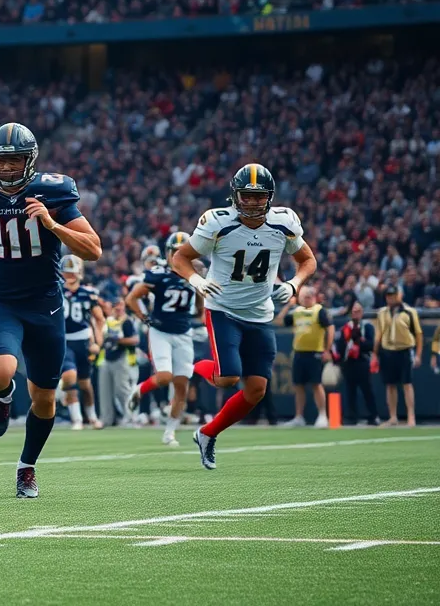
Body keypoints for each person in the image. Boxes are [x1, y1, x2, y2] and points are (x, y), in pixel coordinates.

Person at [0, 122, 102, 498]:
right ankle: (2, 397)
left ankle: (26, 466)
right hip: (1, 300)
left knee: (45, 399)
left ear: (30, 160)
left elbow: (93, 249)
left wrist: (51, 223)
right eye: (1, 161)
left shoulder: (54, 192)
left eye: (15, 160)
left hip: (45, 304)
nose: (8, 168)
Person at [171, 164, 316, 470]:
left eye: (259, 196)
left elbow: (307, 260)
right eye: (246, 196)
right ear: (235, 196)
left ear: (270, 197)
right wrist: (196, 280)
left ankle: (207, 433)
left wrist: (293, 284)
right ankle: (192, 366)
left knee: (256, 390)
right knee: (227, 378)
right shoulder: (218, 222)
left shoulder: (283, 222)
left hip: (261, 314)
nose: (252, 202)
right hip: (223, 309)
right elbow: (180, 257)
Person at [126, 231, 203, 446]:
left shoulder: (194, 275)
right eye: (175, 251)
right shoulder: (159, 274)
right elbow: (132, 298)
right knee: (164, 377)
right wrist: (145, 318)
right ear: (168, 253)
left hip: (183, 333)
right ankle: (139, 390)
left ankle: (170, 432)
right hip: (161, 332)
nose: (178, 255)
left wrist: (201, 314)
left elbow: (200, 304)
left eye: (183, 251)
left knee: (181, 385)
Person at [60, 255, 105, 430]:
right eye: (66, 273)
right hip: (64, 340)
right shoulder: (56, 291)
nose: (69, 276)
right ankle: (77, 418)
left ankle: (92, 416)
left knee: (85, 384)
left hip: (83, 340)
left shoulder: (88, 293)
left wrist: (98, 342)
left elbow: (99, 319)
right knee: (69, 376)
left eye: (72, 272)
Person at [280, 284, 334, 427]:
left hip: (315, 352)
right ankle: (299, 417)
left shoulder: (319, 311)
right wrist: (288, 306)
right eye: (303, 297)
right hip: (299, 353)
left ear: (313, 297)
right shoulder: (296, 311)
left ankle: (322, 415)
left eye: (307, 297)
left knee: (316, 384)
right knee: (298, 385)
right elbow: (279, 321)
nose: (305, 299)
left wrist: (327, 350)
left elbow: (330, 328)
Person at [372, 284, 424, 427]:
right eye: (388, 296)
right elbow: (378, 334)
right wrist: (375, 354)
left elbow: (418, 334)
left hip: (404, 350)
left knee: (407, 384)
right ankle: (393, 416)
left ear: (399, 296)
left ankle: (411, 417)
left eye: (393, 296)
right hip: (387, 351)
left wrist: (418, 355)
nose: (391, 299)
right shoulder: (382, 313)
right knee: (390, 385)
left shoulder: (409, 312)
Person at [333, 302, 378, 425]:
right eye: (354, 311)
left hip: (362, 361)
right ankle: (352, 417)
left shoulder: (367, 326)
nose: (356, 314)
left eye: (358, 311)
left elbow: (371, 344)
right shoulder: (345, 328)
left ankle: (373, 416)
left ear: (362, 313)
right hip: (349, 362)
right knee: (350, 390)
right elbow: (340, 346)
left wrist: (359, 344)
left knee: (367, 390)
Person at [98, 300, 139, 426]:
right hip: (106, 358)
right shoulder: (108, 321)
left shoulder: (127, 321)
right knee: (104, 391)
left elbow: (135, 340)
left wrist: (118, 340)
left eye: (120, 305)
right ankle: (106, 419)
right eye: (116, 306)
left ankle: (130, 416)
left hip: (122, 358)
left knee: (122, 390)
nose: (118, 308)